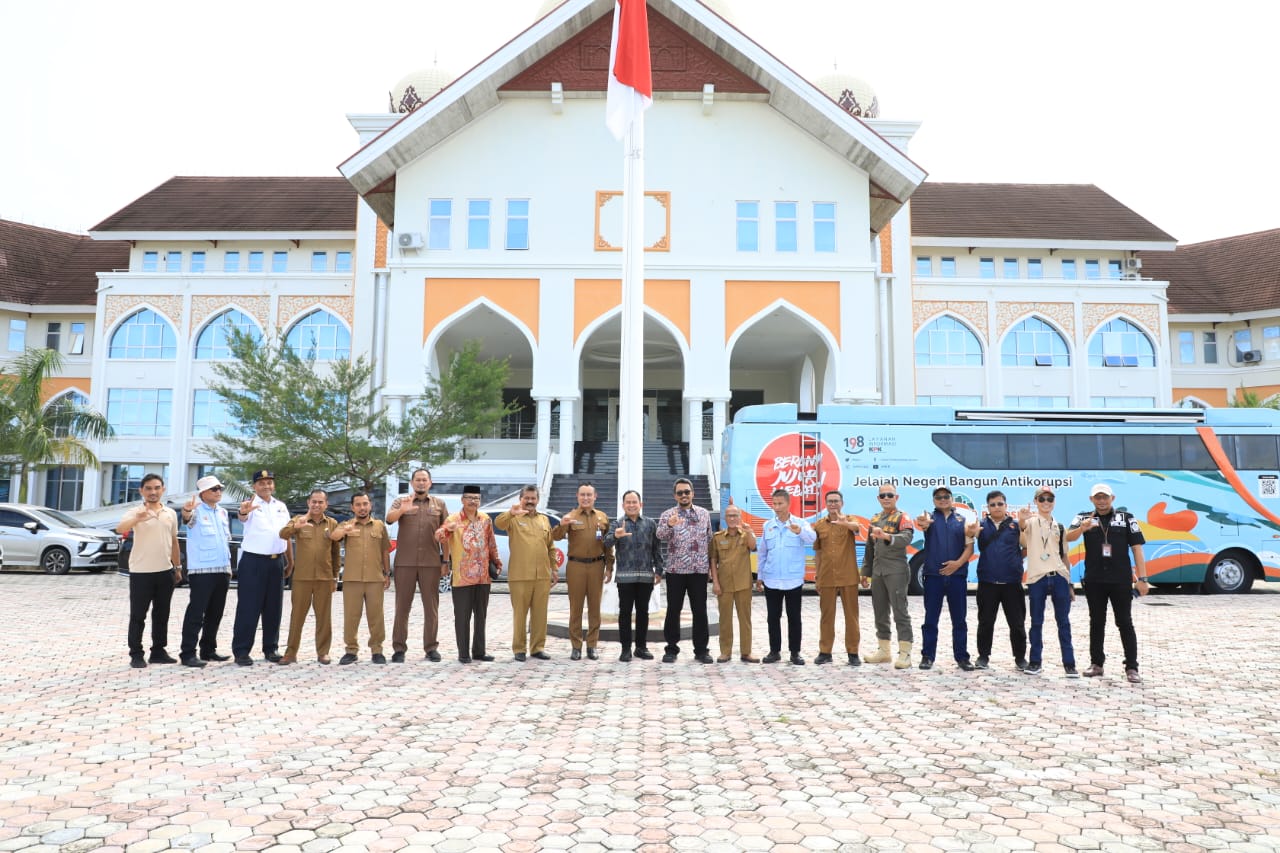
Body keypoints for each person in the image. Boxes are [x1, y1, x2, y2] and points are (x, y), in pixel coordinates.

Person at [1066, 483, 1148, 683]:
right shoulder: (1083, 517)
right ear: (1091, 499)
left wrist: (1143, 578)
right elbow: (1067, 537)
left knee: (1125, 622)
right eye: (1097, 497)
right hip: (1094, 579)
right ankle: (1097, 664)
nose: (1101, 501)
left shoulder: (1126, 518)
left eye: (1105, 497)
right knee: (1096, 622)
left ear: (1113, 498)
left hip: (1120, 579)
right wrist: (1082, 529)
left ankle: (1132, 667)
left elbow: (1137, 548)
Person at [118, 473, 182, 668]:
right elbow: (120, 529)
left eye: (157, 488)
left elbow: (174, 541)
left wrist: (177, 567)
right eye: (148, 488)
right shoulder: (135, 511)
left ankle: (158, 651)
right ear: (142, 491)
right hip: (141, 572)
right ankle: (136, 654)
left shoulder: (170, 513)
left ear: (163, 489)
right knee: (138, 615)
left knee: (162, 614)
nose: (153, 492)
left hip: (165, 571)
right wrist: (137, 519)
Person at [386, 468, 449, 663]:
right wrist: (403, 510)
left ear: (430, 483)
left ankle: (431, 647)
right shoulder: (401, 501)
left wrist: (445, 560)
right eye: (418, 480)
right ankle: (399, 648)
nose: (421, 483)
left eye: (424, 480)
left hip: (431, 563)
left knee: (431, 607)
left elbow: (446, 533)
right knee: (402, 607)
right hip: (405, 563)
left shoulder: (439, 504)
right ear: (412, 483)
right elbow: (389, 519)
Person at [231, 469, 294, 666]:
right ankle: (241, 650)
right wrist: (243, 512)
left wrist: (290, 561)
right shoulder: (249, 505)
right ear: (254, 486)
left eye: (269, 482)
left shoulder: (281, 507)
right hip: (253, 562)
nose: (266, 486)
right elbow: (242, 517)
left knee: (273, 607)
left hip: (276, 562)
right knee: (248, 607)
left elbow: (286, 534)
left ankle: (271, 648)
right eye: (261, 483)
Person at [436, 484, 502, 663]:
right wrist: (445, 531)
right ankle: (463, 653)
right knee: (463, 616)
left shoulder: (485, 519)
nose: (473, 501)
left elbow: (491, 543)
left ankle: (479, 651)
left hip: (483, 577)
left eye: (477, 499)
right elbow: (439, 536)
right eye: (470, 498)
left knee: (481, 615)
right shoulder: (453, 519)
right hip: (462, 577)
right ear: (462, 500)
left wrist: (496, 562)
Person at [1018, 486, 1078, 677]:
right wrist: (1021, 520)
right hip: (1037, 579)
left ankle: (1069, 664)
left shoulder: (1059, 526)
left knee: (1064, 623)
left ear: (1054, 502)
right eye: (1042, 499)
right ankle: (1035, 662)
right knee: (1036, 622)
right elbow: (1022, 537)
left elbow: (1065, 556)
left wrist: (1069, 584)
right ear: (1036, 501)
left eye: (1049, 499)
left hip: (1059, 577)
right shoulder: (1031, 523)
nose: (1046, 502)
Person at [277, 489, 341, 665]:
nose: (317, 505)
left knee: (324, 618)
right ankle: (290, 653)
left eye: (321, 502)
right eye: (314, 501)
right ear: (308, 502)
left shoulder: (333, 523)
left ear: (326, 504)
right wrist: (295, 527)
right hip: (302, 578)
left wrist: (335, 576)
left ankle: (323, 652)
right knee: (297, 617)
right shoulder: (299, 520)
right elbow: (282, 534)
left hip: (324, 578)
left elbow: (336, 553)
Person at [655, 478, 715, 664]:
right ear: (675, 495)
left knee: (700, 610)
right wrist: (670, 525)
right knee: (673, 610)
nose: (684, 495)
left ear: (692, 493)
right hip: (676, 571)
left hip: (699, 570)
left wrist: (712, 569)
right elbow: (660, 536)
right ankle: (671, 649)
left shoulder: (704, 514)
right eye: (680, 492)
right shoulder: (668, 515)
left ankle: (701, 650)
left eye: (686, 492)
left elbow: (710, 540)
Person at [495, 485, 558, 661]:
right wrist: (511, 512)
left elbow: (550, 546)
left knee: (540, 614)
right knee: (520, 614)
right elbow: (498, 523)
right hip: (520, 575)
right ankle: (519, 649)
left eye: (533, 498)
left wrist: (553, 568)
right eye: (527, 498)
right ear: (521, 499)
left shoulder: (544, 520)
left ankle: (537, 648)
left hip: (542, 575)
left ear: (537, 500)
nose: (530, 501)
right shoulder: (513, 518)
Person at [916, 486, 975, 671]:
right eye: (938, 497)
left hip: (957, 576)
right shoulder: (930, 519)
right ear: (934, 500)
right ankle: (927, 656)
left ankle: (962, 657)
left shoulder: (962, 519)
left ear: (951, 498)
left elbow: (969, 548)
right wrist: (923, 523)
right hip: (934, 575)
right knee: (930, 619)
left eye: (946, 496)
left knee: (959, 620)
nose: (942, 499)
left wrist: (957, 564)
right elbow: (922, 524)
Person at [756, 488, 816, 665]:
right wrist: (760, 576)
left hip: (793, 580)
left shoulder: (800, 523)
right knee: (773, 617)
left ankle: (795, 652)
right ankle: (774, 651)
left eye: (780, 503)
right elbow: (762, 553)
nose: (777, 507)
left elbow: (812, 538)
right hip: (772, 578)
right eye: (774, 503)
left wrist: (799, 532)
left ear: (789, 504)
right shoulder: (768, 526)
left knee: (794, 617)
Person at [330, 492, 391, 665]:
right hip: (352, 579)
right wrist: (345, 529)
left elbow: (385, 551)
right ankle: (351, 650)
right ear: (352, 507)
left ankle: (377, 650)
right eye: (358, 504)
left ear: (370, 505)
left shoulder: (379, 526)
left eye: (365, 504)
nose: (362, 508)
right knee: (351, 616)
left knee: (376, 617)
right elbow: (334, 537)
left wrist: (387, 574)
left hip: (375, 579)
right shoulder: (347, 524)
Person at [553, 482, 612, 660]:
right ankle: (576, 646)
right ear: (577, 497)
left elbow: (607, 545)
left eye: (589, 495)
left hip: (596, 566)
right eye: (582, 495)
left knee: (595, 608)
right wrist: (562, 524)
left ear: (595, 497)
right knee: (575, 608)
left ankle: (592, 645)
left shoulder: (602, 518)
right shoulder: (570, 516)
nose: (585, 498)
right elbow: (555, 536)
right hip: (576, 566)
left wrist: (609, 566)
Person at [178, 475, 233, 667]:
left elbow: (225, 540)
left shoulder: (223, 513)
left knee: (215, 613)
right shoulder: (196, 511)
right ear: (203, 493)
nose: (218, 492)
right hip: (202, 570)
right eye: (214, 489)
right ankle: (187, 653)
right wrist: (186, 510)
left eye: (219, 489)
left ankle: (208, 650)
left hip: (222, 568)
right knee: (196, 612)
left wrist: (228, 567)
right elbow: (187, 519)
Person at [603, 490, 663, 662]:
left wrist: (659, 570)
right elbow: (606, 542)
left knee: (643, 613)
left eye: (634, 502)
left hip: (645, 576)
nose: (631, 505)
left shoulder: (651, 524)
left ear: (640, 504)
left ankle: (641, 647)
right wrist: (615, 535)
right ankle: (626, 649)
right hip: (625, 577)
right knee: (625, 613)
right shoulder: (617, 523)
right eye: (628, 502)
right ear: (623, 505)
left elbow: (656, 549)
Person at [973, 490, 1027, 671]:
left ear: (1006, 506)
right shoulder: (980, 525)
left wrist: (1016, 560)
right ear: (988, 507)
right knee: (986, 622)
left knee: (1017, 623)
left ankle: (1020, 658)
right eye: (993, 504)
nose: (996, 507)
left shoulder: (1016, 526)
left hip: (1011, 583)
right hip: (988, 582)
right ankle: (983, 656)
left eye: (1000, 504)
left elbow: (1026, 547)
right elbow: (968, 536)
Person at [861, 487, 915, 669]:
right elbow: (869, 548)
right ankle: (884, 651)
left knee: (900, 611)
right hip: (878, 572)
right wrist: (865, 572)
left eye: (890, 495)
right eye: (882, 495)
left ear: (896, 497)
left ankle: (905, 653)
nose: (886, 498)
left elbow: (906, 538)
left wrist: (886, 536)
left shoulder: (902, 517)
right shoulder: (875, 519)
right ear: (878, 498)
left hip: (896, 570)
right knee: (880, 612)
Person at [812, 490, 865, 666]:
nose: (833, 504)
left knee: (852, 616)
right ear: (825, 504)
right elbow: (818, 552)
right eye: (830, 501)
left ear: (842, 503)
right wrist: (817, 576)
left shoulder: (850, 520)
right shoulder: (819, 525)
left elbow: (857, 529)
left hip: (848, 576)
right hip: (827, 576)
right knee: (826, 616)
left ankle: (853, 652)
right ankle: (825, 651)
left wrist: (845, 523)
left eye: (836, 501)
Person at [709, 504, 757, 663]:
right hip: (724, 585)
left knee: (745, 619)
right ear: (725, 518)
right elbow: (713, 561)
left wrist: (749, 531)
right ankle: (725, 651)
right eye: (729, 515)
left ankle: (746, 652)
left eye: (735, 515)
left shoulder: (746, 535)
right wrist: (715, 582)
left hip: (743, 584)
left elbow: (753, 546)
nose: (732, 518)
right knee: (725, 619)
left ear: (740, 517)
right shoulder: (718, 537)